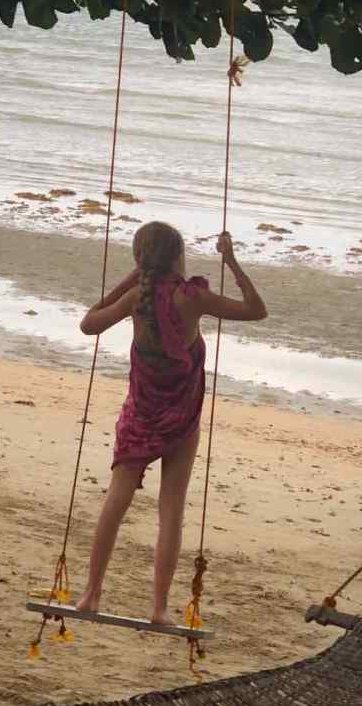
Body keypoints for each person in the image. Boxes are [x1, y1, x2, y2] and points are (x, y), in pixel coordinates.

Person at [76, 221, 267, 624]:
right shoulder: (192, 297)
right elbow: (256, 310)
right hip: (181, 416)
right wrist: (230, 261)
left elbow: (89, 323)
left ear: (141, 259)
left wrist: (133, 277)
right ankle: (159, 608)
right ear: (179, 257)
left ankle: (91, 594)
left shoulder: (134, 299)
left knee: (117, 499)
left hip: (141, 414)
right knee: (171, 509)